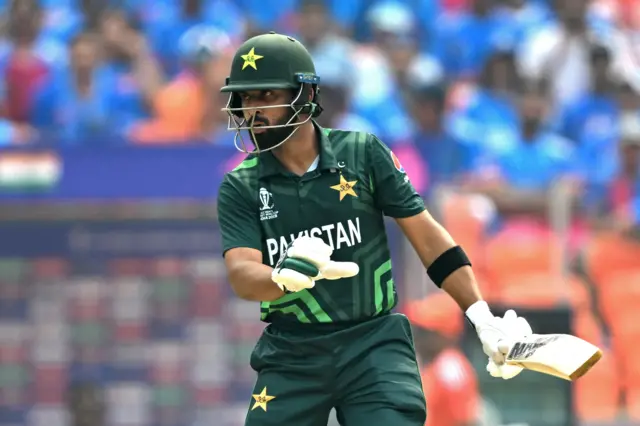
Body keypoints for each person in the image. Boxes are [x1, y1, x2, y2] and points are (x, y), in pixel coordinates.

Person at [216, 32, 532, 426]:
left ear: (304, 97)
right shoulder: (241, 184)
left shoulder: (363, 153)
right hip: (291, 350)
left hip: (373, 342)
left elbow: (428, 238)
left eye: (266, 96)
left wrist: (481, 316)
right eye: (245, 98)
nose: (253, 111)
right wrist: (282, 277)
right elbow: (242, 274)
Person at [405, 292, 481, 426]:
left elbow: (465, 421)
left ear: (445, 336)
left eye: (425, 331)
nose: (418, 336)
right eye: (418, 330)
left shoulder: (450, 368)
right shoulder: (432, 363)